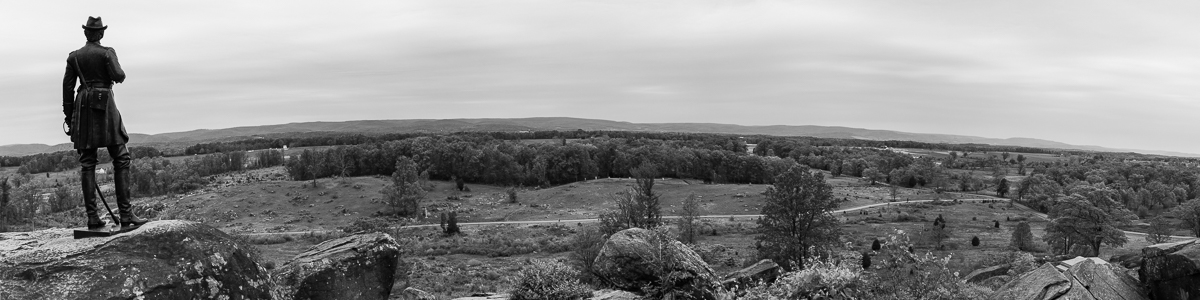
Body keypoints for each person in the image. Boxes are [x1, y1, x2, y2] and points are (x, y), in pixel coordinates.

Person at [63, 16, 146, 229]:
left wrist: (69, 118)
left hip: (82, 106)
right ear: (100, 34)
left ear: (85, 33)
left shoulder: (75, 57)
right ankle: (126, 215)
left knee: (87, 162)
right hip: (105, 106)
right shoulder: (107, 52)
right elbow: (120, 75)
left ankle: (93, 218)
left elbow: (67, 89)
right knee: (121, 156)